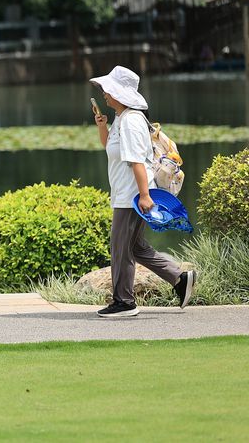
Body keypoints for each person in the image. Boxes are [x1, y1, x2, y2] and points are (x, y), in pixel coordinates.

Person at [91, 65, 197, 318]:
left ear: (120, 93)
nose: (104, 94)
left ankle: (124, 302)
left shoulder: (131, 121)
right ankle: (180, 278)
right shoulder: (121, 118)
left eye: (108, 89)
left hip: (132, 197)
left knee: (120, 247)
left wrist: (145, 196)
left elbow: (137, 161)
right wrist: (102, 126)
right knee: (134, 247)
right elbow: (111, 148)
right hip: (127, 193)